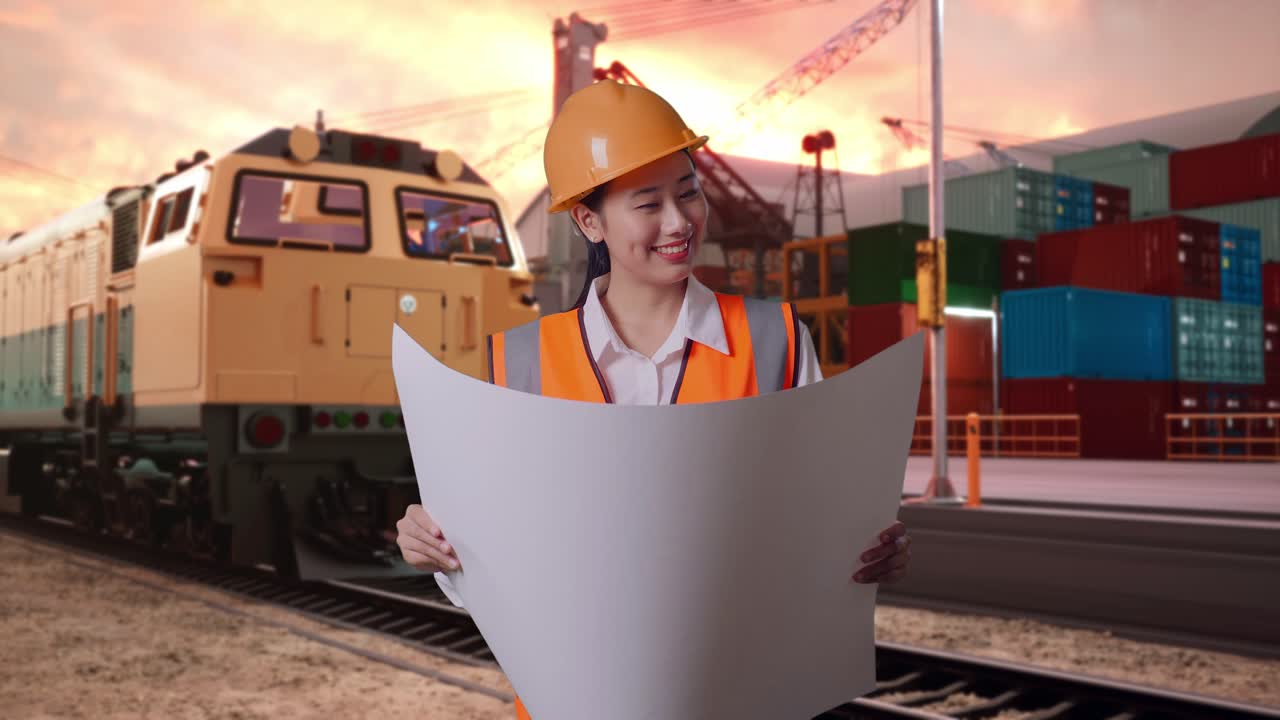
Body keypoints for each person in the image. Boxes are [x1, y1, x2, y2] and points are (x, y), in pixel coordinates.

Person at [394, 80, 912, 719]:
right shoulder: (518, 365)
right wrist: (436, 549)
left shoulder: (774, 341)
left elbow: (820, 519)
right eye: (648, 204)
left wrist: (870, 549)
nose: (679, 222)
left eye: (688, 192)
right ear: (589, 222)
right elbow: (492, 571)